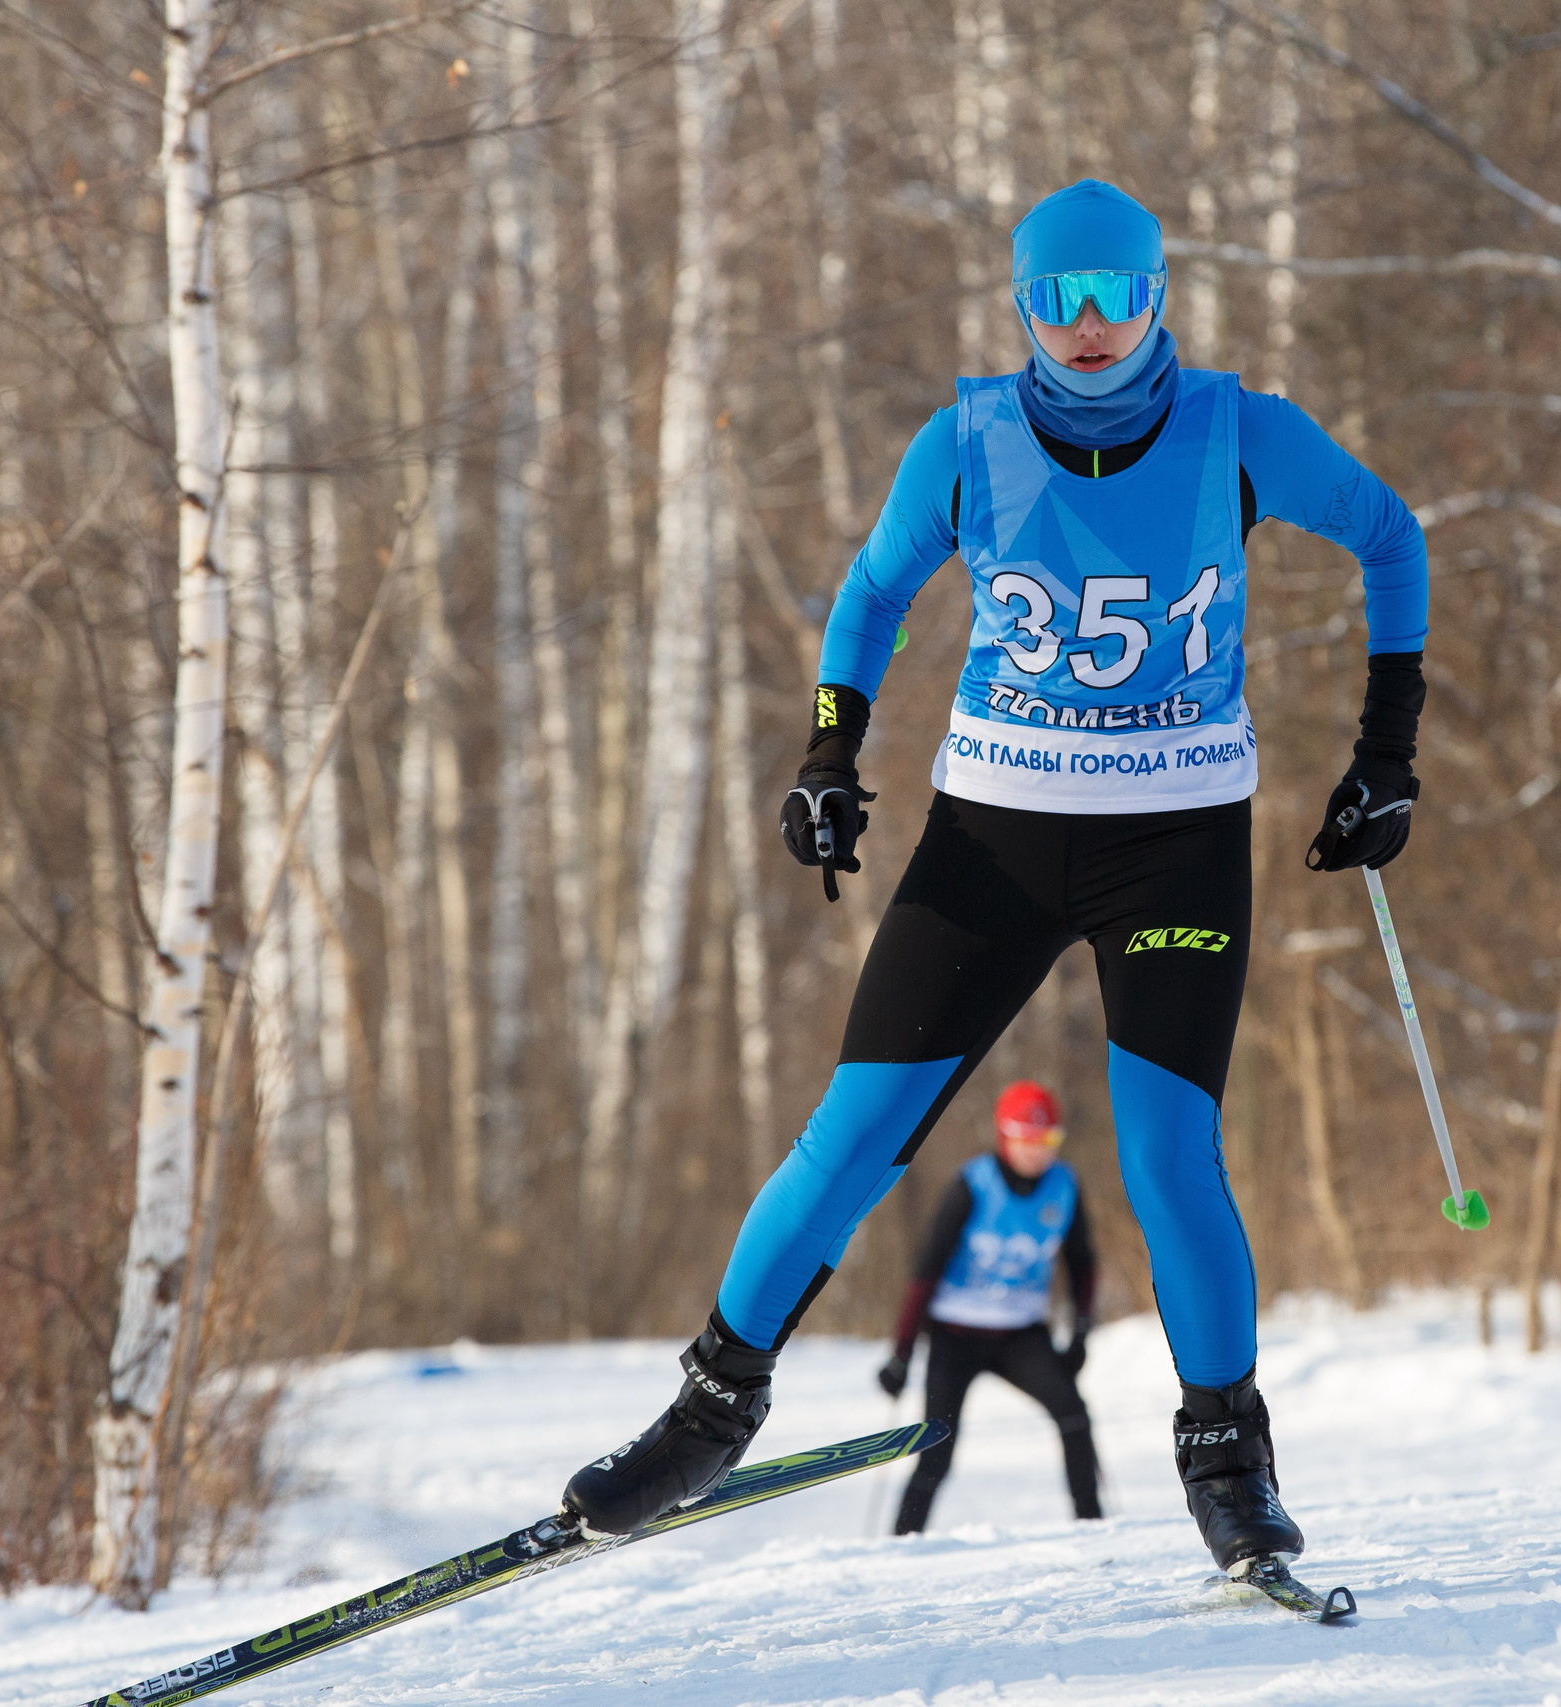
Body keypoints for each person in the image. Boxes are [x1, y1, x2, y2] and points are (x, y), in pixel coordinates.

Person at [561, 178, 1428, 1578]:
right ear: (1023, 305)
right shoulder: (965, 440)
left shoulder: (1238, 432)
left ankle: (1230, 1460)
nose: (1088, 330)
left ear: (1157, 298)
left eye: (1117, 298)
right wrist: (828, 753)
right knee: (851, 1139)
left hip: (1177, 839)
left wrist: (1388, 753)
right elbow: (872, 593)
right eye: (1058, 300)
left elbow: (1393, 536)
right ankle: (708, 1412)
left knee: (1168, 1161)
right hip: (993, 838)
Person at [877, 1079, 1102, 1533]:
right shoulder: (972, 1184)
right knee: (936, 1446)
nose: (1038, 1152)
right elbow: (926, 1269)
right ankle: (900, 1543)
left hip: (1020, 1333)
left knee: (1073, 1415)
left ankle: (1092, 1527)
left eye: (1049, 1141)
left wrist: (1079, 1331)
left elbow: (1082, 1262)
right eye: (1027, 1140)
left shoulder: (1064, 1185)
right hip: (955, 1331)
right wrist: (902, 1353)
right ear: (1005, 1136)